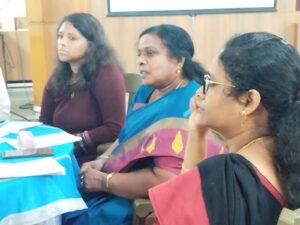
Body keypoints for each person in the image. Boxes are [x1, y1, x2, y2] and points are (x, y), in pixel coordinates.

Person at [63, 24, 217, 225]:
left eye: (150, 53)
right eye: (139, 54)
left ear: (179, 60)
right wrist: (102, 159)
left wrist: (103, 181)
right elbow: (127, 135)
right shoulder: (147, 91)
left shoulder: (189, 104)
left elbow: (166, 178)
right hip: (117, 178)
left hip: (144, 198)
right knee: (62, 199)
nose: (141, 60)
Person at [149, 32, 300, 225]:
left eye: (210, 84)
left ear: (248, 101)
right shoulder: (285, 156)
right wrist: (197, 131)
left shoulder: (227, 176)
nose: (200, 93)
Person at [39, 13, 126, 165]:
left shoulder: (107, 74)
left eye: (71, 38)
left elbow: (114, 128)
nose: (62, 43)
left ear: (91, 46)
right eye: (60, 36)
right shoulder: (58, 76)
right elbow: (45, 123)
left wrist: (71, 143)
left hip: (88, 160)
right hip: (56, 154)